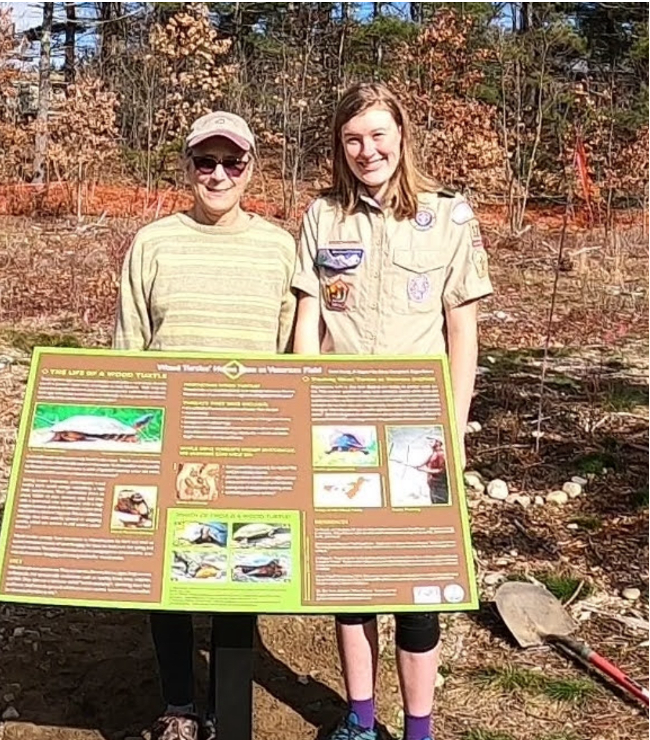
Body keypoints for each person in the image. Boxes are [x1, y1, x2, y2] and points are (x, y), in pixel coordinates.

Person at [292, 82, 493, 740]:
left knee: (415, 589)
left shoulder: (448, 216)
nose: (366, 150)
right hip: (341, 425)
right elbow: (308, 319)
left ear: (401, 136)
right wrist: (302, 407)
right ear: (339, 146)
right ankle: (359, 718)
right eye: (352, 139)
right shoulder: (324, 216)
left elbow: (462, 332)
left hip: (416, 431)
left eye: (378, 135)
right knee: (352, 583)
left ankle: (418, 729)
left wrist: (453, 431)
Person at [112, 110, 297, 740]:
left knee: (241, 567)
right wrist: (127, 432)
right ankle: (179, 707)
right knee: (167, 575)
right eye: (205, 161)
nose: (218, 174)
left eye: (232, 162)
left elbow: (290, 354)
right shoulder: (153, 242)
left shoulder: (279, 247)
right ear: (188, 166)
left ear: (251, 168)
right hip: (172, 438)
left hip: (250, 441)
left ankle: (228, 711)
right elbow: (129, 347)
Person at [416, 439, 448, 505]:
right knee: (434, 502)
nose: (429, 443)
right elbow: (424, 463)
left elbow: (441, 470)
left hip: (439, 485)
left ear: (438, 443)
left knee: (440, 503)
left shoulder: (441, 454)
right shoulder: (433, 453)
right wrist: (418, 466)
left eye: (431, 441)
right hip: (433, 484)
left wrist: (425, 470)